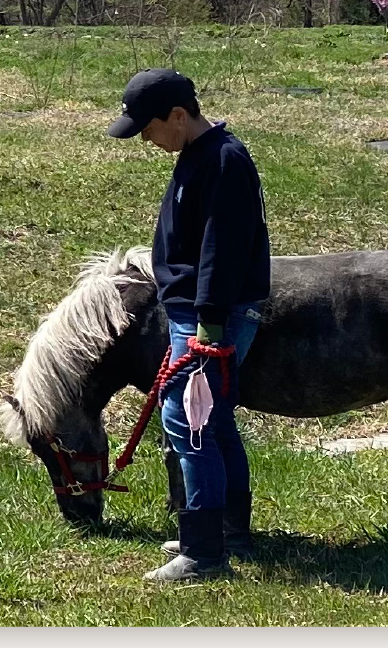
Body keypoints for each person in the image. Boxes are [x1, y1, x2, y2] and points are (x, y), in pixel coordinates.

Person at [107, 69, 271, 582]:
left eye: (148, 129)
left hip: (210, 317)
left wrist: (208, 323)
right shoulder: (196, 157)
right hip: (195, 311)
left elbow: (221, 250)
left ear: (178, 116)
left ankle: (203, 553)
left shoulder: (223, 161)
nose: (146, 141)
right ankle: (228, 531)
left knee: (189, 420)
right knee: (213, 419)